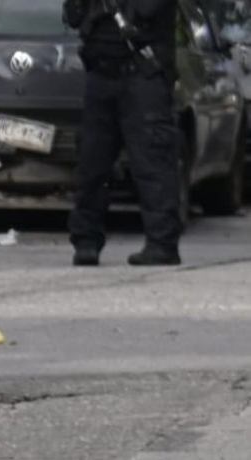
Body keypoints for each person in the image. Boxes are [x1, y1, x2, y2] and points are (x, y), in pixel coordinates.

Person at [63, 0, 182, 266]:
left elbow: (149, 10)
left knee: (153, 163)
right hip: (100, 75)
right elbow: (73, 16)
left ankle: (162, 244)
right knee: (91, 163)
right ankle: (85, 242)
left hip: (142, 75)